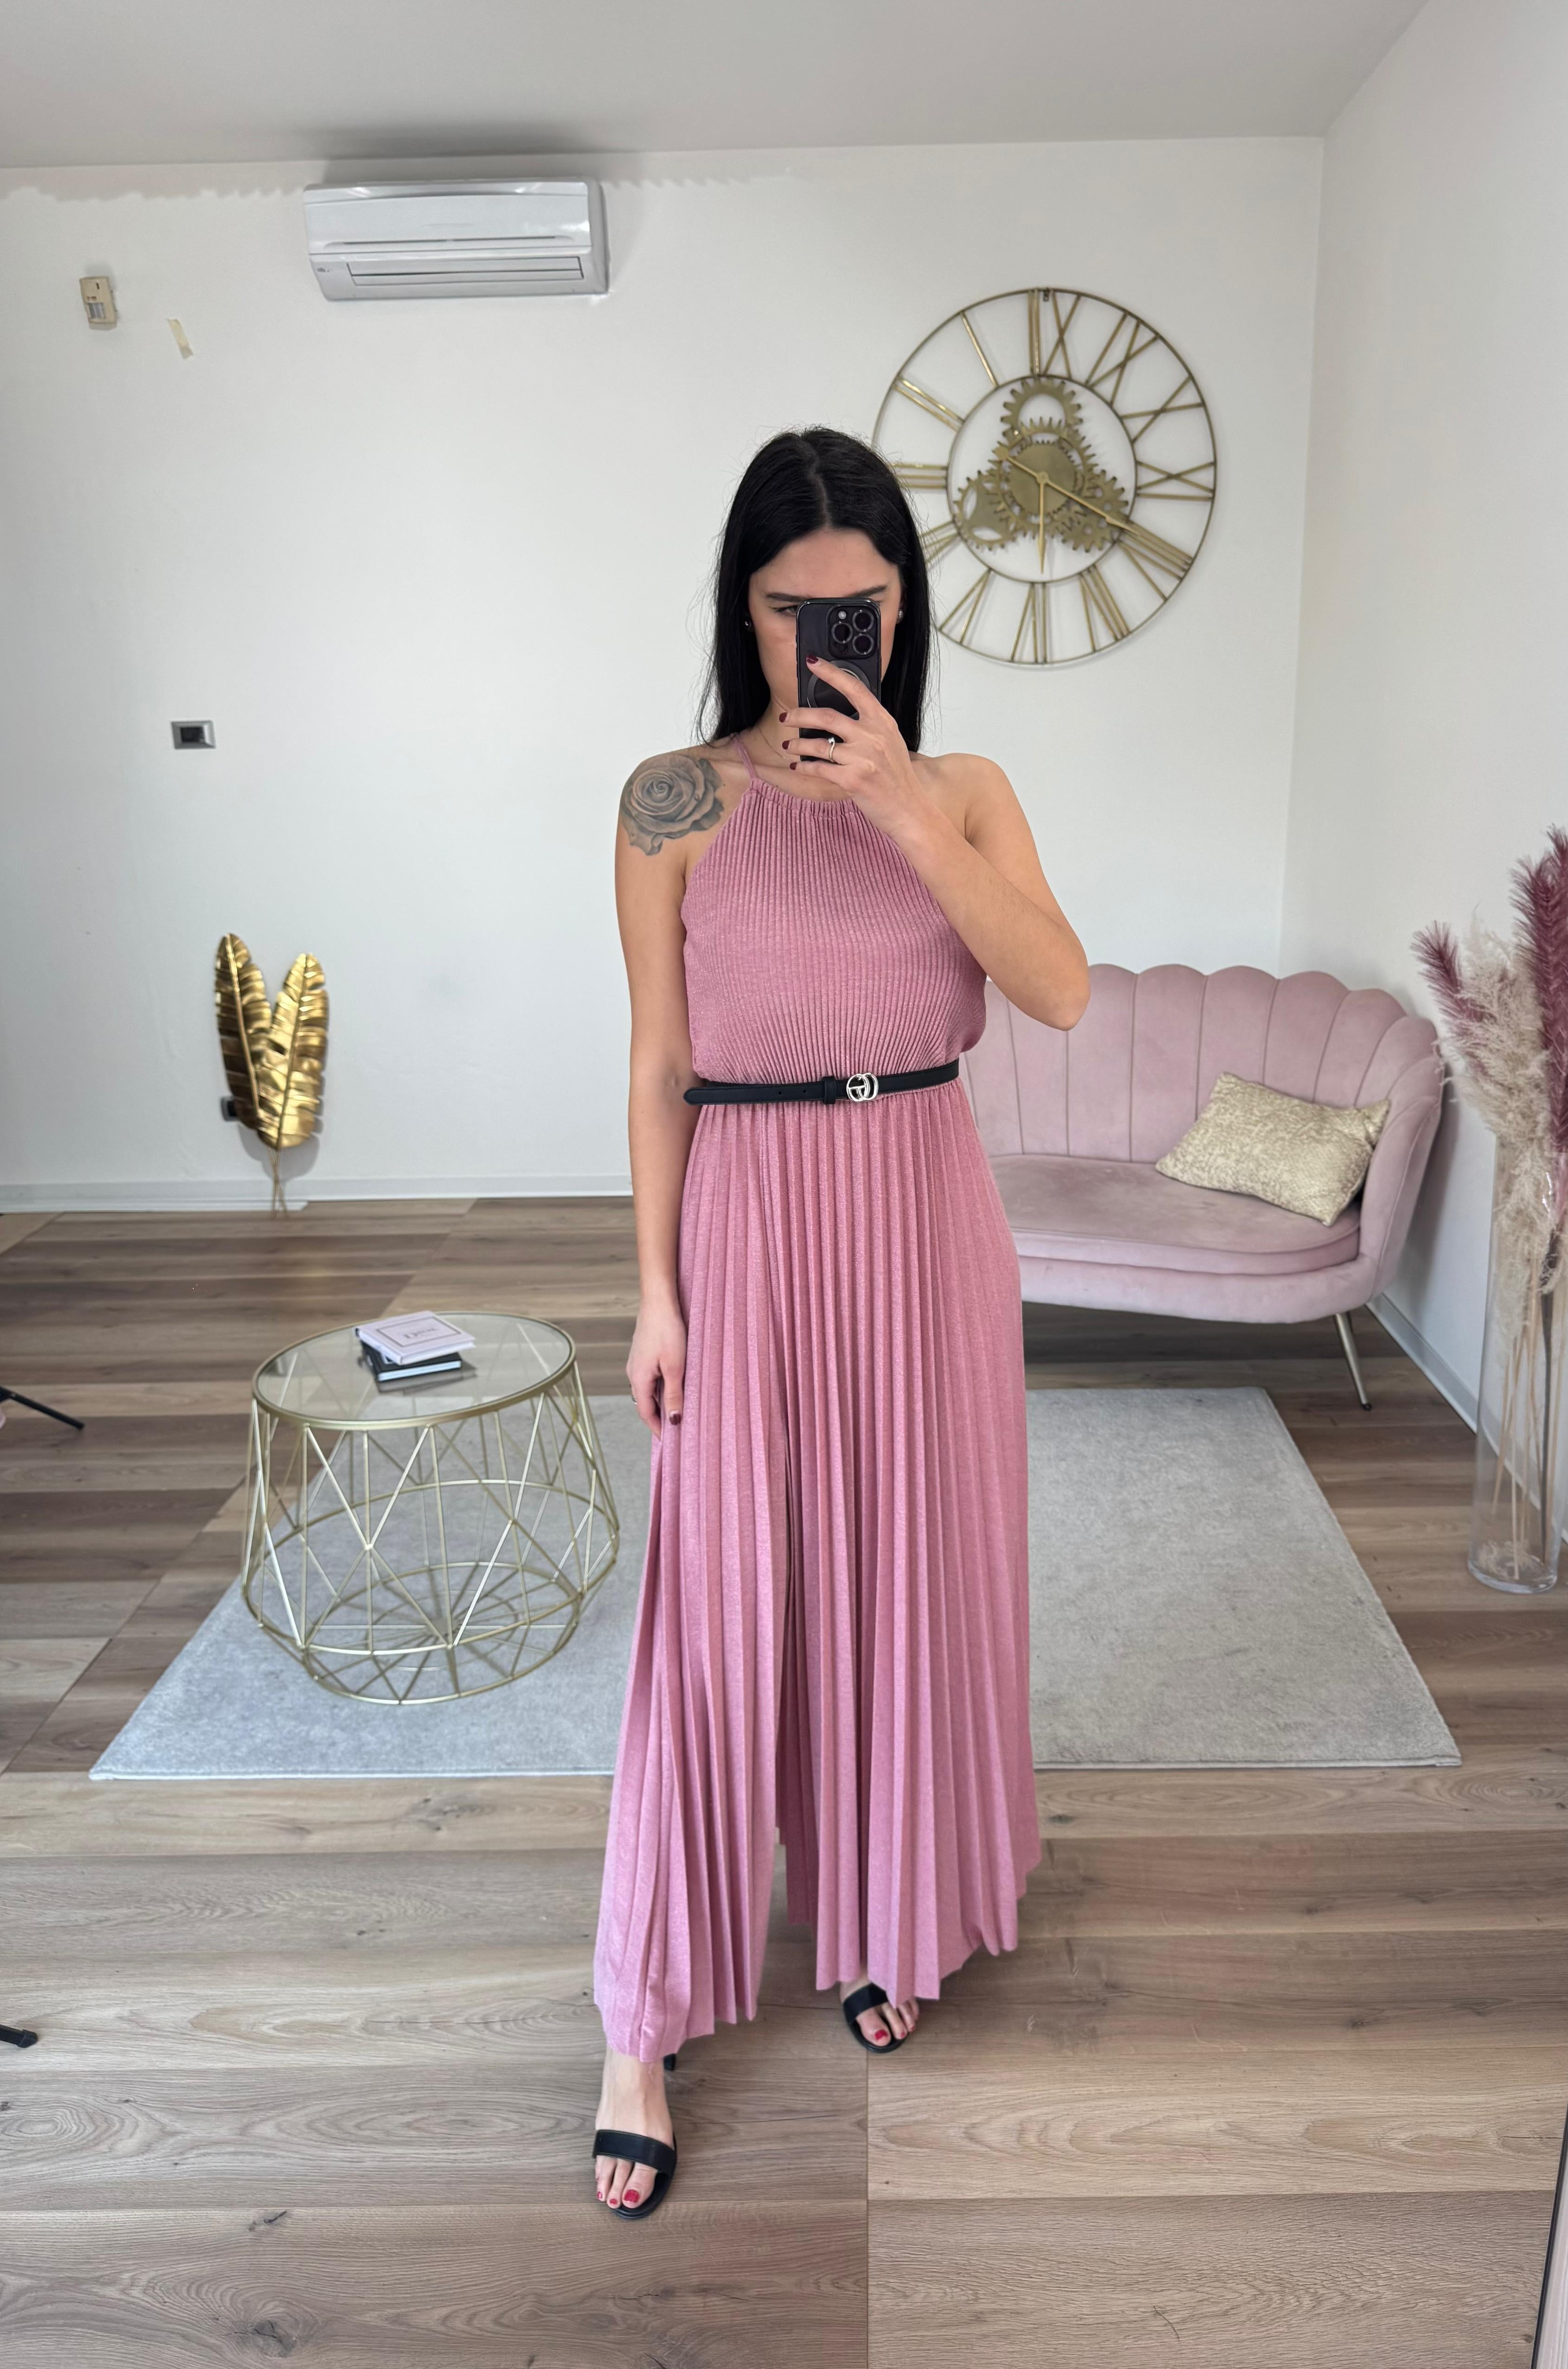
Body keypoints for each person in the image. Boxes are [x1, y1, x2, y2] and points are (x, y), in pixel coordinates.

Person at [591, 425, 1090, 2216]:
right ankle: (639, 2015)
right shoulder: (672, 800)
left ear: (904, 610)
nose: (824, 641)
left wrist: (899, 810)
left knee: (910, 1575)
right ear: (743, 610)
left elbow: (1057, 987)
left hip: (925, 1215)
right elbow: (659, 1063)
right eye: (791, 609)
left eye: (858, 610)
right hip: (745, 1216)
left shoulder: (966, 788)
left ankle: (887, 1907)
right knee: (714, 1607)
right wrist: (654, 1290)